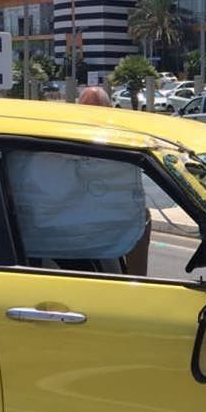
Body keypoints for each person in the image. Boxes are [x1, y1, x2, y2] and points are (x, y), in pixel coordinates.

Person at [78, 83, 150, 275]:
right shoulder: (115, 139)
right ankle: (138, 283)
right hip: (84, 216)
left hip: (99, 213)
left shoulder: (118, 140)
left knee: (143, 215)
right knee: (142, 217)